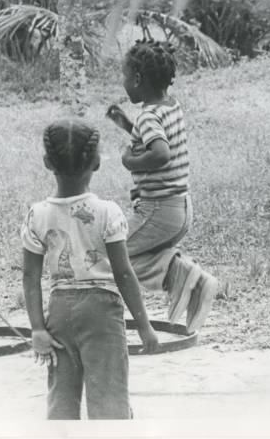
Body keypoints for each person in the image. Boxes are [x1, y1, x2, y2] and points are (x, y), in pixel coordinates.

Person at [21, 119, 159, 419]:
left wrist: (37, 328)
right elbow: (123, 274)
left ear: (47, 162)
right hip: (101, 313)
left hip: (59, 313)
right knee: (109, 398)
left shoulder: (38, 214)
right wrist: (145, 325)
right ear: (96, 163)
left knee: (61, 397)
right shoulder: (107, 212)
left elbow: (30, 277)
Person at [107, 40, 218, 334]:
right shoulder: (169, 107)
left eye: (125, 76)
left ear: (138, 80)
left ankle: (179, 273)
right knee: (130, 254)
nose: (124, 82)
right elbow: (156, 137)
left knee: (109, 256)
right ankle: (187, 276)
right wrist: (128, 126)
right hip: (179, 207)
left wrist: (128, 160)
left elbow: (160, 153)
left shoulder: (148, 116)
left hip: (158, 210)